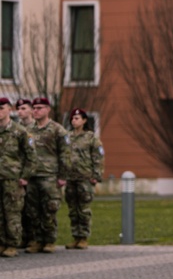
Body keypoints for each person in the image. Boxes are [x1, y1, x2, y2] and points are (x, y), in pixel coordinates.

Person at [25, 98, 68, 254]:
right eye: (34, 108)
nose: (36, 111)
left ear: (48, 109)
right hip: (32, 175)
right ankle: (37, 240)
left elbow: (65, 154)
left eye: (40, 108)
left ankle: (49, 240)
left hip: (50, 176)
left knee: (49, 208)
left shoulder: (57, 130)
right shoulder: (28, 129)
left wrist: (63, 175)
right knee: (32, 210)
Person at [63, 109, 105, 250]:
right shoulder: (68, 137)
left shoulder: (91, 137)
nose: (74, 120)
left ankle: (84, 237)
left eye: (77, 118)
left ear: (84, 120)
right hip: (71, 177)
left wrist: (96, 175)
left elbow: (98, 157)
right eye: (72, 118)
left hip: (85, 177)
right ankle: (75, 236)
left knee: (84, 209)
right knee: (73, 209)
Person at [0, 97, 37, 258]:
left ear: (9, 109)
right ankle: (1, 242)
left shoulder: (19, 131)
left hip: (12, 178)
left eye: (2, 108)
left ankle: (12, 243)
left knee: (12, 212)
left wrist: (25, 176)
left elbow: (31, 156)